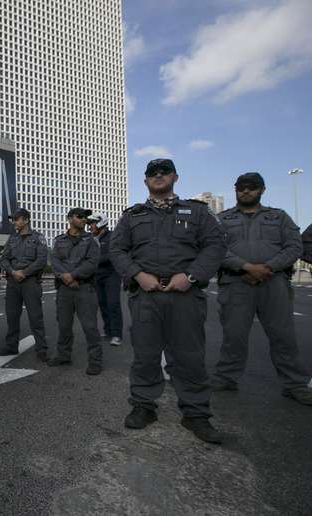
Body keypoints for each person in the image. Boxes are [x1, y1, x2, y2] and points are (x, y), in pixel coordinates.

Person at [110, 158, 226, 444]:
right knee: (145, 355)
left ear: (175, 177)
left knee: (189, 356)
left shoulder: (198, 212)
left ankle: (196, 413)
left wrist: (192, 276)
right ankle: (143, 406)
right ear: (145, 181)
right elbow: (117, 248)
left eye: (164, 172)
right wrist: (137, 274)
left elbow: (215, 245)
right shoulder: (131, 216)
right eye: (152, 173)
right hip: (146, 295)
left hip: (184, 294)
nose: (158, 176)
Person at [211, 172, 312, 406]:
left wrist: (267, 268)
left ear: (262, 189)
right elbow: (215, 248)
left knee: (283, 336)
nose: (246, 191)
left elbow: (294, 246)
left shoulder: (279, 217)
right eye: (241, 187)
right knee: (234, 336)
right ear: (235, 190)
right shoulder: (221, 219)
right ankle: (226, 377)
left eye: (252, 187)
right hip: (236, 283)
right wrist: (246, 267)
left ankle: (295, 384)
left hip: (274, 282)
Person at [49, 208, 103, 374]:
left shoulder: (92, 240)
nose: (84, 220)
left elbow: (92, 263)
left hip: (84, 288)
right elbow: (55, 260)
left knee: (90, 327)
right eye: (80, 216)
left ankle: (95, 361)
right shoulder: (59, 240)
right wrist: (65, 278)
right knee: (64, 325)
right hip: (65, 289)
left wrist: (72, 276)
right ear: (70, 218)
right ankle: (64, 355)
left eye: (85, 217)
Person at [0, 208, 49, 360]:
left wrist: (24, 273)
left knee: (36, 316)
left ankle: (41, 349)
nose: (14, 222)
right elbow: (3, 258)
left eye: (16, 219)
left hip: (30, 282)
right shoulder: (12, 238)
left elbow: (41, 260)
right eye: (13, 219)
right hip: (13, 282)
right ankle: (11, 346)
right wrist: (13, 271)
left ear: (26, 220)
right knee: (12, 316)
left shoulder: (38, 237)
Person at [88, 212, 123, 346]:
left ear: (100, 223)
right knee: (102, 304)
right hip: (97, 276)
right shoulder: (90, 239)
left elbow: (112, 255)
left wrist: (93, 261)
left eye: (92, 223)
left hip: (111, 275)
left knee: (113, 304)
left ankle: (116, 335)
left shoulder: (112, 236)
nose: (90, 226)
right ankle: (108, 331)